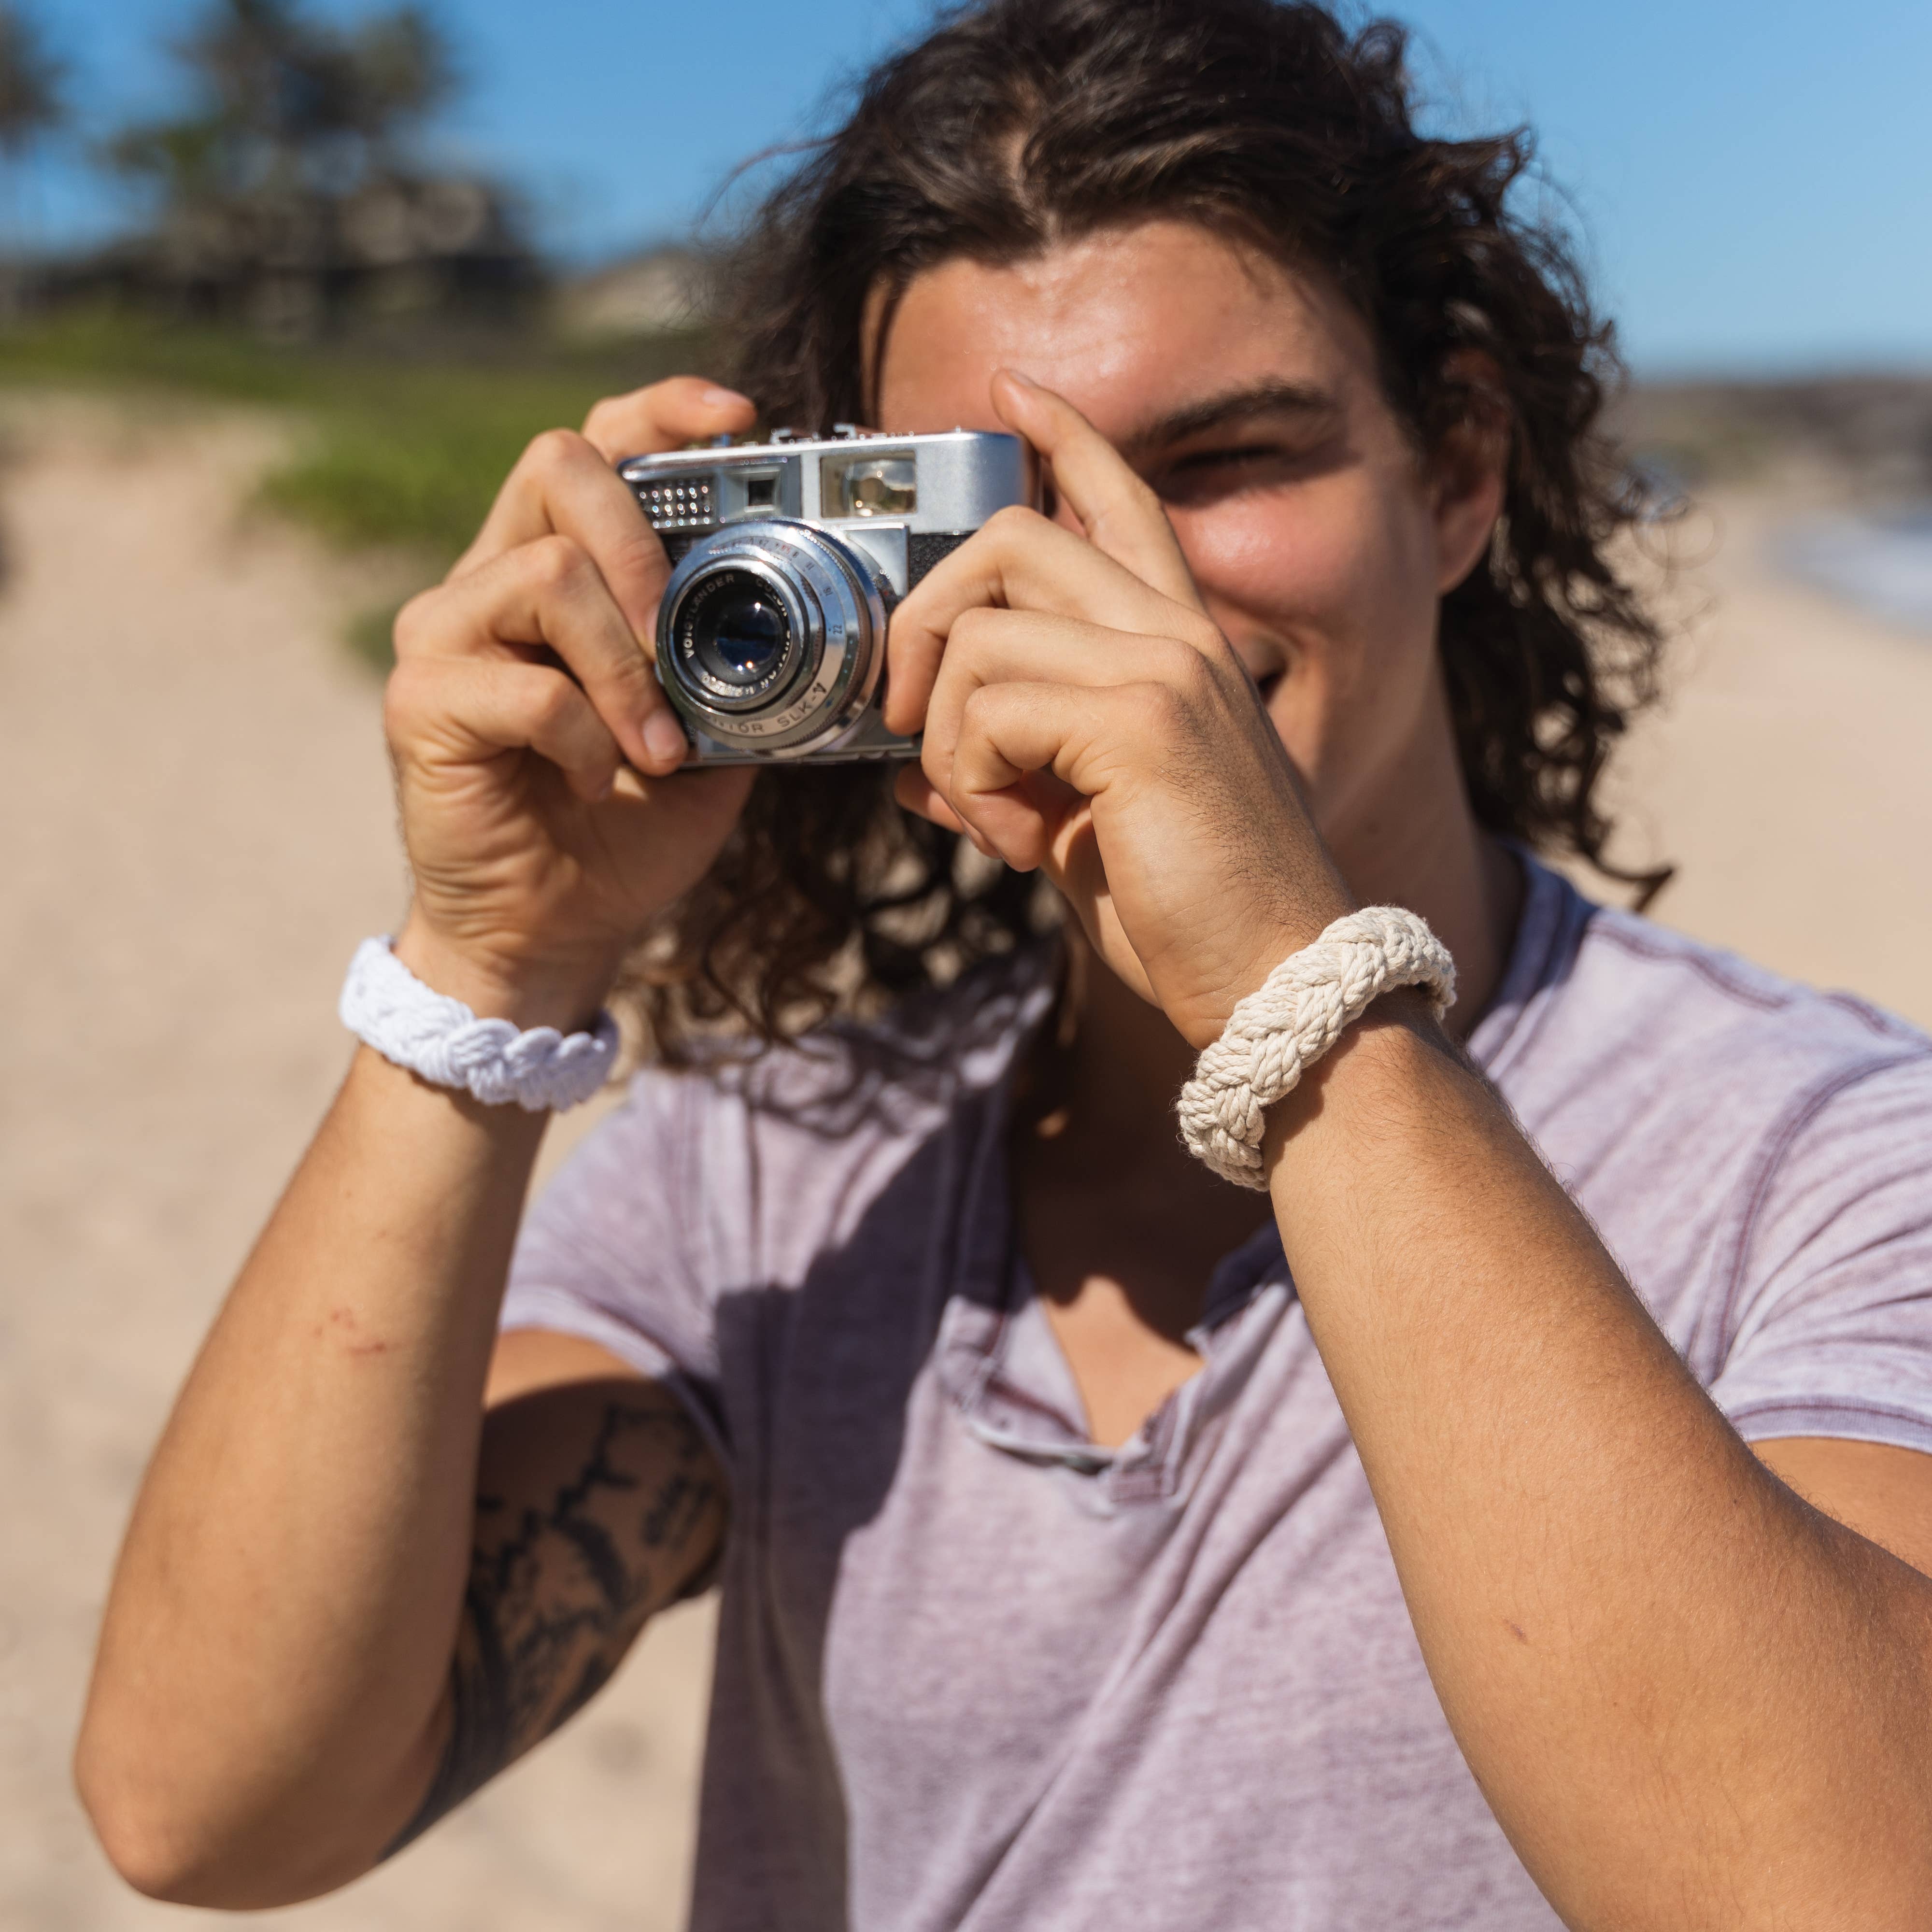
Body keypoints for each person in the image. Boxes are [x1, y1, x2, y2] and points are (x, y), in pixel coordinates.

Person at [75, 1, 1932, 1926]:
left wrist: (1293, 1000)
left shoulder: (1824, 1159)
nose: (1107, 586)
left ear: (1455, 471)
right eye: (998, 507)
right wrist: (490, 964)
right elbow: (210, 1806)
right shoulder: (786, 1170)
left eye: (1212, 461)